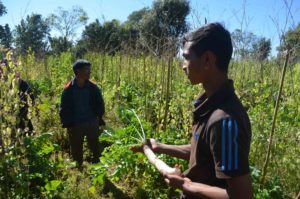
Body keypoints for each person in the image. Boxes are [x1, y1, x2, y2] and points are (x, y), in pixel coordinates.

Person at [132, 23, 253, 199]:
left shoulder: (224, 120)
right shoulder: (209, 105)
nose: (183, 66)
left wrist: (186, 185)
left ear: (207, 60)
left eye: (187, 57)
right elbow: (205, 152)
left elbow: (242, 196)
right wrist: (160, 147)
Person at [59, 59, 105, 166]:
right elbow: (63, 109)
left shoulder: (93, 87)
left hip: (91, 122)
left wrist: (98, 117)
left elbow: (100, 103)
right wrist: (68, 124)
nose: (89, 72)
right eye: (86, 70)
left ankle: (96, 167)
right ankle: (78, 170)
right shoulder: (68, 89)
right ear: (77, 72)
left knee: (95, 147)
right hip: (75, 125)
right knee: (76, 150)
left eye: (89, 69)